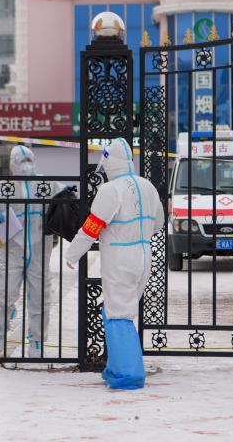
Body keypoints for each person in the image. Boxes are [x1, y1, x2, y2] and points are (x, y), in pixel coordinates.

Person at [65, 138, 165, 390]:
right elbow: (159, 223)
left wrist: (72, 254)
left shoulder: (111, 190)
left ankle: (129, 374)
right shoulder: (147, 186)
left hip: (120, 260)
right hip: (143, 256)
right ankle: (115, 366)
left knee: (118, 315)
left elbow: (91, 228)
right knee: (115, 311)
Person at [0, 145, 66, 355]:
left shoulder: (47, 184)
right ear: (12, 164)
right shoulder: (2, 186)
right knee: (6, 293)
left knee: (40, 295)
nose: (26, 166)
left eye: (29, 160)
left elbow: (68, 200)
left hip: (40, 249)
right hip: (12, 248)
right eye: (21, 161)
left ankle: (36, 340)